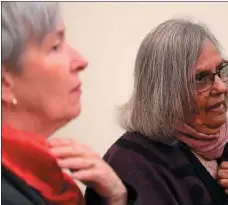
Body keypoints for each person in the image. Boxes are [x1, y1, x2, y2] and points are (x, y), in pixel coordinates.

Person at [99, 18, 228, 205]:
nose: (221, 87)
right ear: (164, 91)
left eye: (221, 69)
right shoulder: (132, 161)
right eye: (200, 78)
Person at [1, 2, 138, 205]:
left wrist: (117, 198)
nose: (81, 61)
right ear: (5, 83)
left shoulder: (48, 177)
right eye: (55, 46)